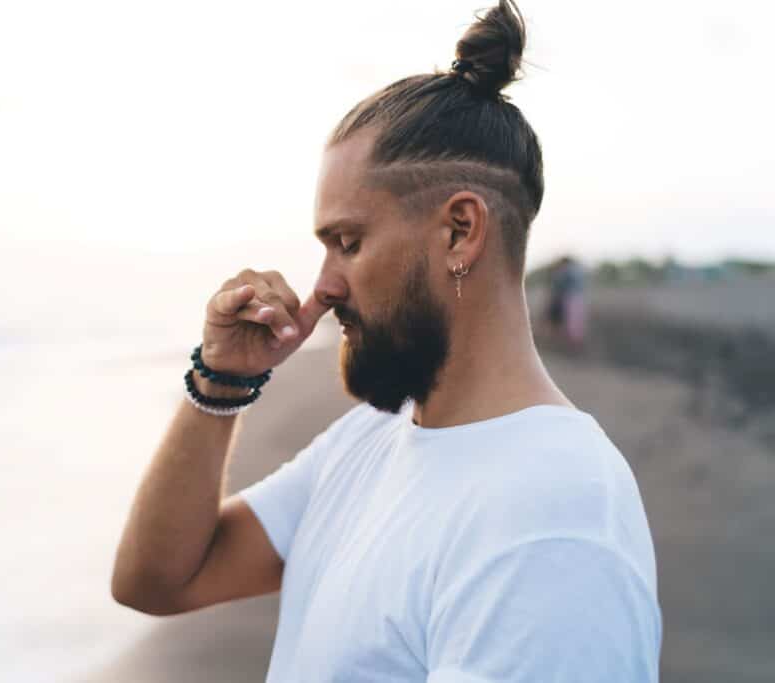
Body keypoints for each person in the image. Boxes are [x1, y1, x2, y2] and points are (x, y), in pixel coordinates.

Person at [111, 2, 662, 681]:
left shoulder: (555, 516)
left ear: (460, 231)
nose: (323, 287)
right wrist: (221, 382)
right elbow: (157, 579)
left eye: (349, 242)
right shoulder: (369, 439)